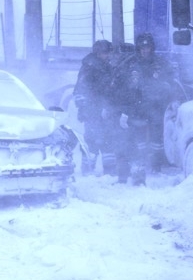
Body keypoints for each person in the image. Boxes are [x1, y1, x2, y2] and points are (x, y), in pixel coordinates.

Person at [108, 33, 174, 185]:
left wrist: (165, 90)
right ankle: (138, 167)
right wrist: (122, 110)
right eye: (143, 48)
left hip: (156, 107)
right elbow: (120, 88)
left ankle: (156, 166)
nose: (146, 51)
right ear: (138, 49)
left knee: (157, 140)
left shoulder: (161, 63)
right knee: (135, 139)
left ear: (152, 48)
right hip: (135, 108)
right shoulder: (129, 64)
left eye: (148, 47)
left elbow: (171, 82)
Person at [73, 40, 116, 175]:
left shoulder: (106, 66)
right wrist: (85, 110)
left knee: (108, 140)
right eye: (105, 53)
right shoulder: (89, 67)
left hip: (104, 111)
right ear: (97, 53)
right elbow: (81, 90)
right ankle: (87, 171)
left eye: (109, 52)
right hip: (92, 111)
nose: (108, 55)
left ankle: (109, 171)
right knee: (92, 141)